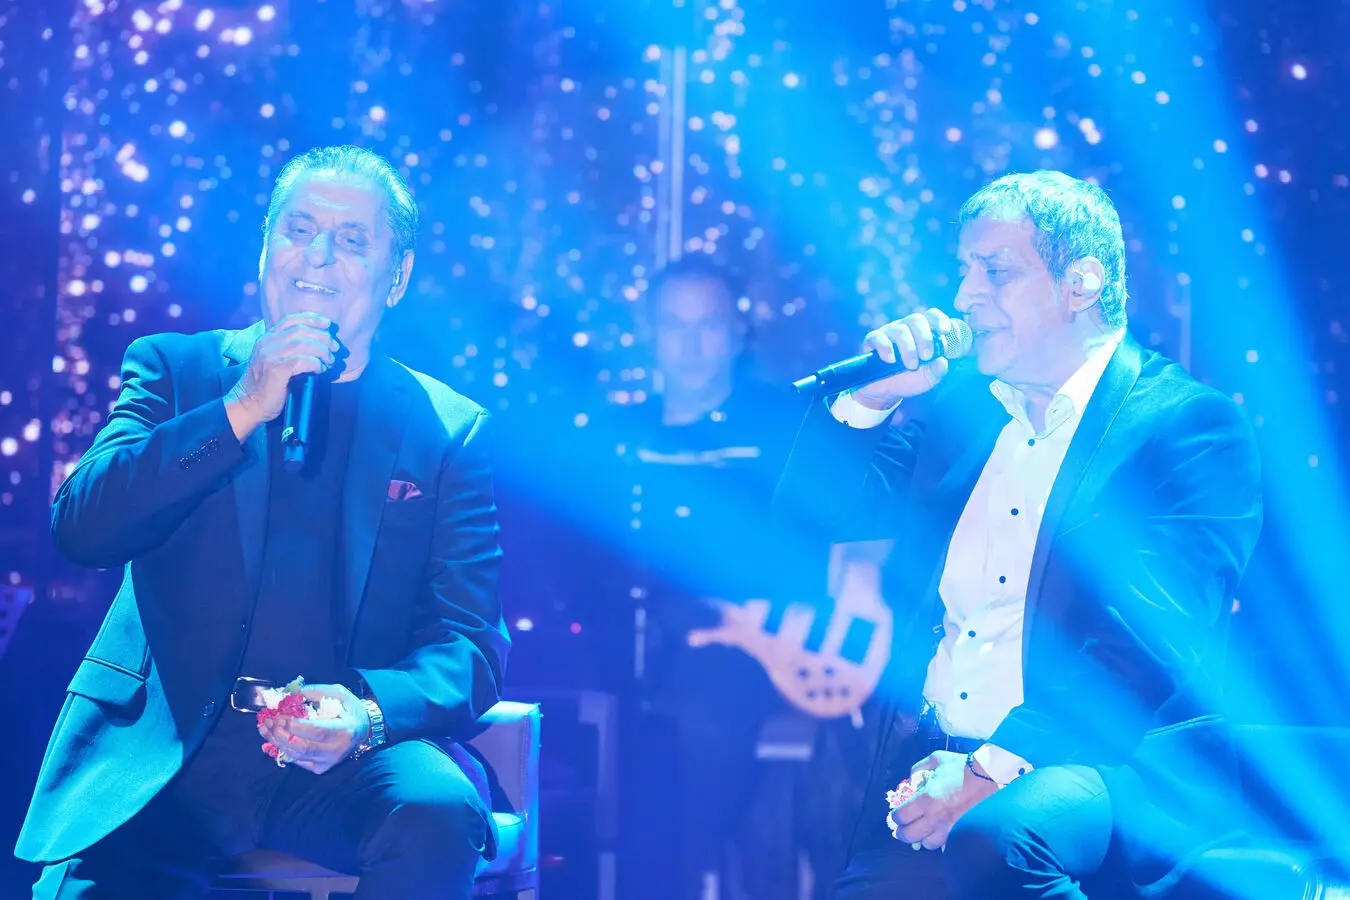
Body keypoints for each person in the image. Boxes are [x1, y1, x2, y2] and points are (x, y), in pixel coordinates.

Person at [16, 144, 510, 899]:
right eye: (298, 230)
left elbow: (468, 642)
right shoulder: (177, 371)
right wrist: (241, 406)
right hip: (169, 746)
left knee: (433, 813)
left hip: (336, 757)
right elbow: (83, 528)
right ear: (266, 246)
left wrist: (367, 713)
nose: (318, 257)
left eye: (352, 240)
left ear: (397, 276)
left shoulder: (444, 430)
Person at [774, 170, 1262, 899]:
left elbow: (1147, 644)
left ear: (1081, 283)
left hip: (1101, 772)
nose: (965, 295)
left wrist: (989, 770)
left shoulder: (1187, 427)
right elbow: (811, 517)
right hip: (933, 766)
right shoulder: (963, 411)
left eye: (995, 272)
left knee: (998, 841)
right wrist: (870, 399)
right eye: (964, 270)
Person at [609, 257, 835, 899]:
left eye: (706, 324)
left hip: (750, 647)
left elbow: (811, 550)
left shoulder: (781, 429)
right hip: (636, 647)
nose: (690, 343)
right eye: (673, 325)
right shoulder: (622, 435)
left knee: (699, 721)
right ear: (650, 333)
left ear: (738, 333)